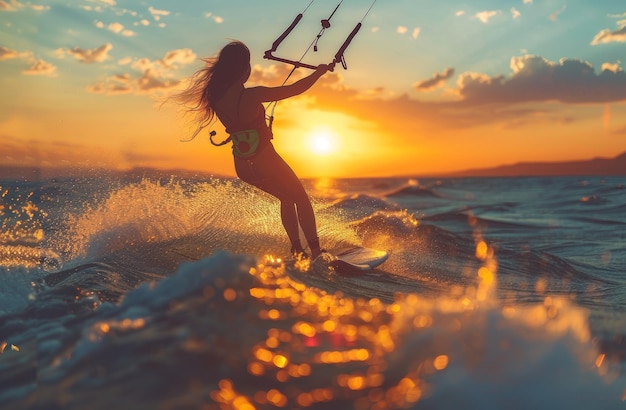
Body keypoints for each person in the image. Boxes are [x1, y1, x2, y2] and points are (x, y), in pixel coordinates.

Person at [174, 41, 330, 259]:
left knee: (286, 198)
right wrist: (319, 73)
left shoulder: (215, 99)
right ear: (243, 69)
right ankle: (315, 253)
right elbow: (295, 89)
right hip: (266, 160)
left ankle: (297, 249)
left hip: (243, 167)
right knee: (301, 199)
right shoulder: (252, 95)